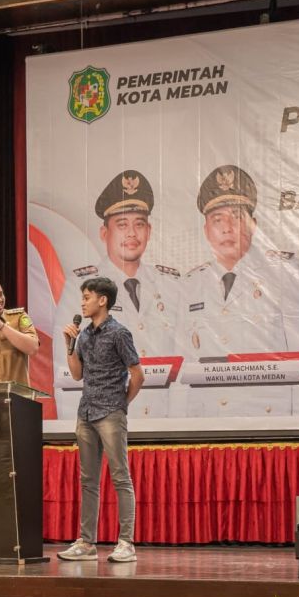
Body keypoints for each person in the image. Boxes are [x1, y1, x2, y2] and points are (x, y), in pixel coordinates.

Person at [176, 165, 299, 416]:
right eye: (217, 220)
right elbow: (183, 365)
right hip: (207, 421)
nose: (227, 227)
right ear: (206, 230)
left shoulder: (284, 273)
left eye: (237, 216)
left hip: (267, 420)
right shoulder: (190, 284)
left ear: (254, 224)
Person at [53, 170, 181, 418]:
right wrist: (77, 425)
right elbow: (67, 368)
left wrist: (179, 421)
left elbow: (183, 363)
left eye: (139, 224)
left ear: (149, 231)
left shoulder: (171, 284)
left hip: (161, 418)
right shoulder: (81, 286)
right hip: (104, 414)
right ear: (104, 233)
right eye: (122, 224)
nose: (132, 233)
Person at [57, 277, 144, 563]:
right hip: (86, 413)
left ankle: (126, 542)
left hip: (110, 412)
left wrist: (120, 404)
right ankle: (86, 542)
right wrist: (69, 344)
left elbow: (137, 374)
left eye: (86, 297)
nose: (82, 302)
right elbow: (77, 374)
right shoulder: (83, 335)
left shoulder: (119, 333)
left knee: (120, 476)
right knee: (88, 480)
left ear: (102, 300)